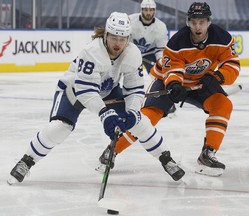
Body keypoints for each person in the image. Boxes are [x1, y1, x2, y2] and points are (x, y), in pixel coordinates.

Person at [7, 12, 185, 185]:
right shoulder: (92, 52)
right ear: (106, 34)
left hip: (107, 90)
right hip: (74, 90)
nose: (118, 43)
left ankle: (166, 158)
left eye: (123, 39)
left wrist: (132, 111)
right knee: (60, 127)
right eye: (114, 37)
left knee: (138, 121)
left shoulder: (133, 54)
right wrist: (104, 113)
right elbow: (86, 91)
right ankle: (26, 161)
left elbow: (135, 89)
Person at [98, 2, 240, 177]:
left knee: (223, 105)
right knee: (146, 117)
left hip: (201, 83)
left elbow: (232, 64)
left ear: (209, 22)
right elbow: (172, 69)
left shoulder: (223, 38)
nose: (197, 27)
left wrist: (218, 77)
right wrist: (174, 84)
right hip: (166, 80)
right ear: (188, 22)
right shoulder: (177, 42)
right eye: (194, 22)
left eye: (202, 22)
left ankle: (207, 154)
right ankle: (112, 150)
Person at [129, 0, 168, 74]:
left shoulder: (161, 26)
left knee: (157, 75)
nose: (148, 13)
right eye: (146, 10)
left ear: (155, 11)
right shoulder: (130, 20)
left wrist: (160, 61)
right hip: (131, 52)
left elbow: (161, 49)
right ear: (141, 10)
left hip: (149, 53)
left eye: (151, 10)